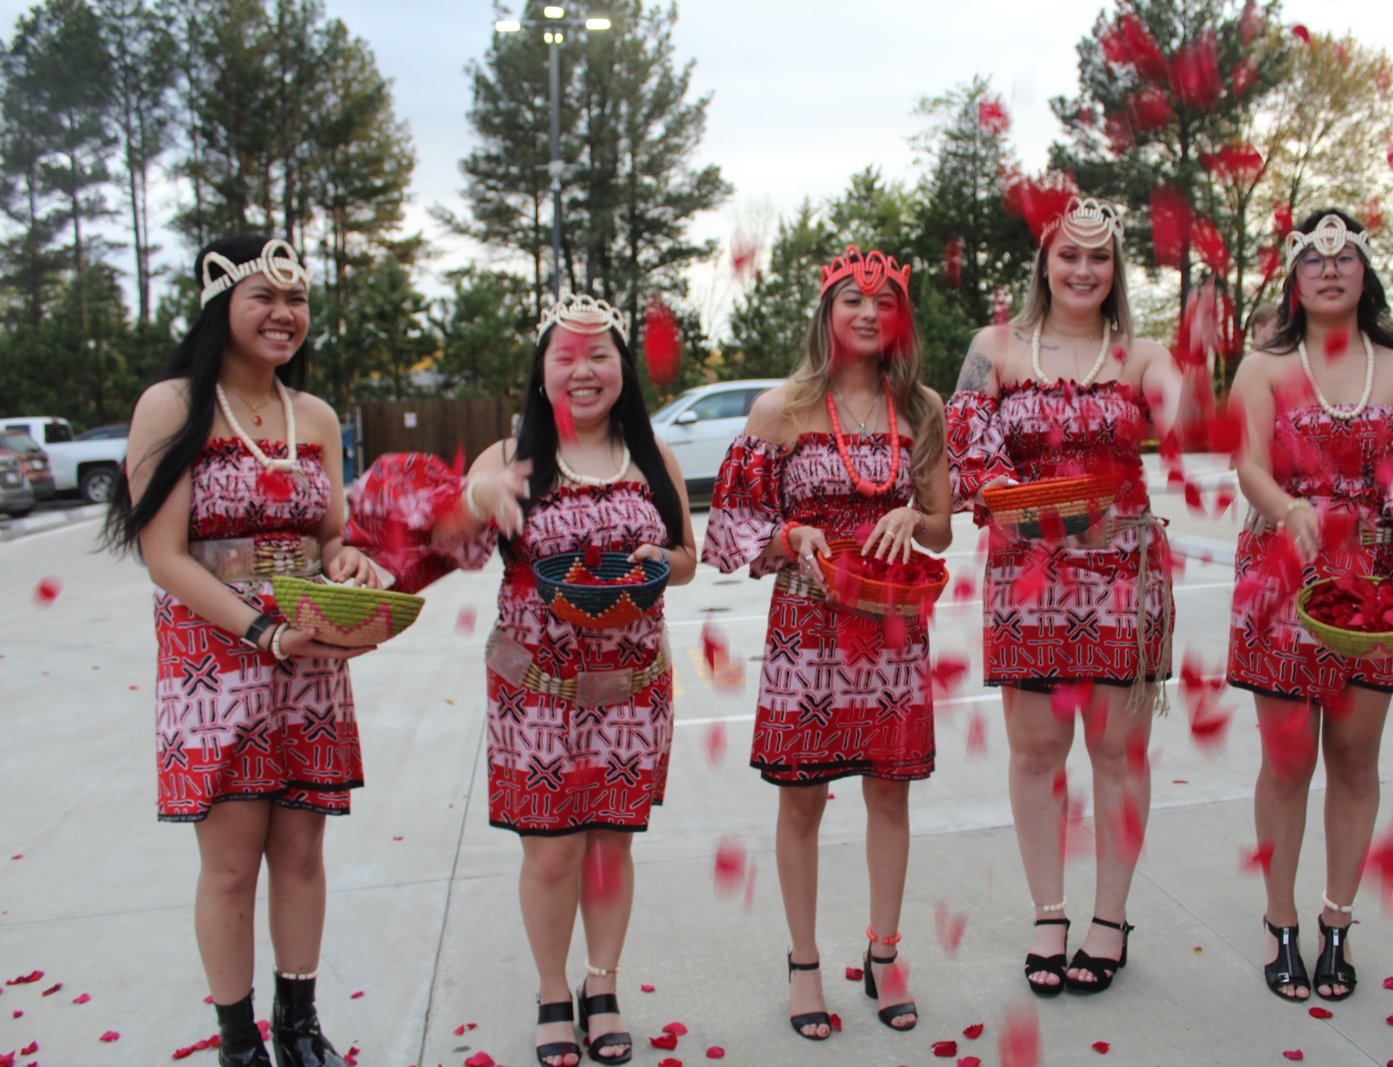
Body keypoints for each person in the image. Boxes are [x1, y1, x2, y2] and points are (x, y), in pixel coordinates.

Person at [345, 293, 696, 1067]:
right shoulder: (508, 459)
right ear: (541, 373)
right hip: (536, 693)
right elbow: (443, 532)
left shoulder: (653, 457)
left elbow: (686, 559)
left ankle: (602, 985)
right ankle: (551, 991)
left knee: (610, 849)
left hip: (633, 689)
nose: (584, 369)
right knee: (552, 854)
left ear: (623, 368)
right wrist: (473, 502)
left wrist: (658, 564)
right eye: (565, 355)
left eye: (599, 353)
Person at [104, 235, 383, 1067]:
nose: (284, 314)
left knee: (301, 851)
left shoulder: (316, 416)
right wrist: (261, 631)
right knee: (230, 867)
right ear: (220, 304)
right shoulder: (170, 406)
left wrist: (346, 560)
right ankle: (240, 1044)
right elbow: (164, 556)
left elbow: (330, 534)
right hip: (214, 663)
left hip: (310, 659)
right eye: (264, 296)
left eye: (297, 300)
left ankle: (298, 1026)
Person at [1226, 209, 1393, 1004]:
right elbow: (1249, 465)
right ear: (1294, 280)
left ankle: (1336, 920)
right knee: (1287, 761)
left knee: (1355, 758)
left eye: (1344, 260)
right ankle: (1281, 921)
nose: (1329, 271)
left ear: (1364, 275)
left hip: (1373, 589)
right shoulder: (1263, 368)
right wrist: (1289, 509)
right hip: (1281, 578)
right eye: (1313, 260)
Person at [702, 246, 952, 1040]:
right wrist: (788, 534)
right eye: (853, 300)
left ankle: (884, 953)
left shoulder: (923, 408)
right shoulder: (781, 409)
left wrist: (914, 516)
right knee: (802, 798)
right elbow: (731, 526)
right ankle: (804, 963)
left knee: (890, 793)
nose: (869, 314)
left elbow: (944, 526)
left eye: (885, 302)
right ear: (827, 313)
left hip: (890, 625)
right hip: (807, 628)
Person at [945, 195, 1183, 998]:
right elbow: (968, 447)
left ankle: (1110, 917)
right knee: (1038, 751)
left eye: (1100, 256)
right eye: (1069, 254)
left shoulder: (1142, 354)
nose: (1084, 270)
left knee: (1117, 752)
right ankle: (1049, 912)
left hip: (1122, 571)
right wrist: (1022, 501)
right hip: (1029, 572)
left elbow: (1185, 425)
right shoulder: (996, 348)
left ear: (1118, 269)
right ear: (1044, 262)